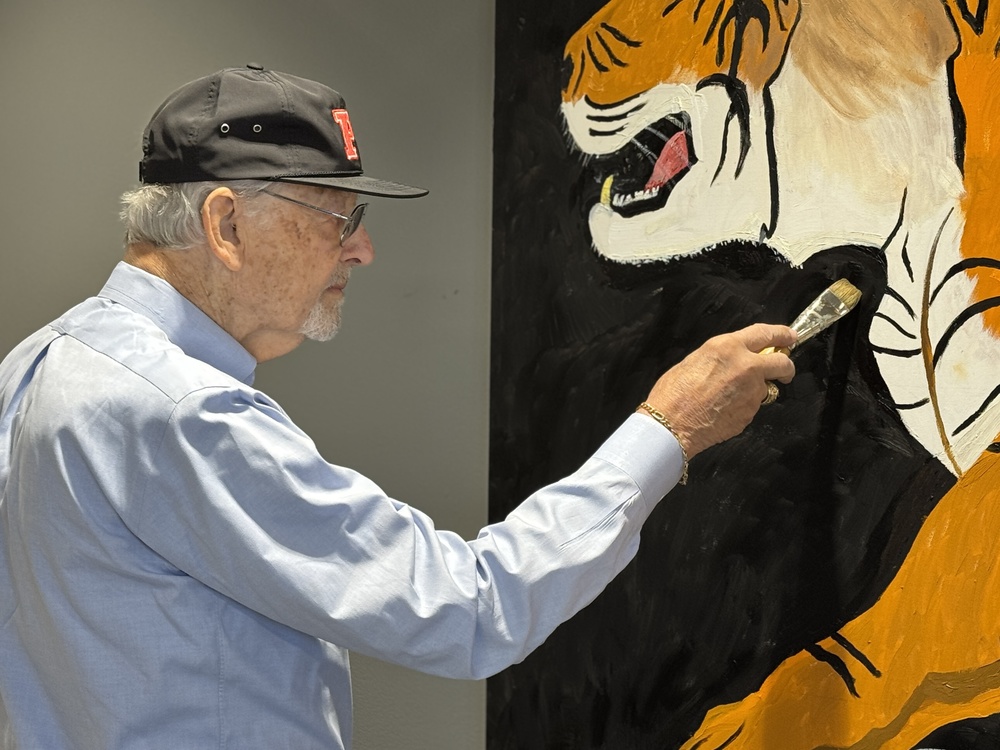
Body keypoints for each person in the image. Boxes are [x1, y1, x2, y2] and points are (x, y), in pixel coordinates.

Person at [0, 65, 796, 749]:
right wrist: (668, 428)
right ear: (227, 223)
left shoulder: (42, 366)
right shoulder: (184, 414)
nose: (362, 248)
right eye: (338, 216)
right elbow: (473, 608)